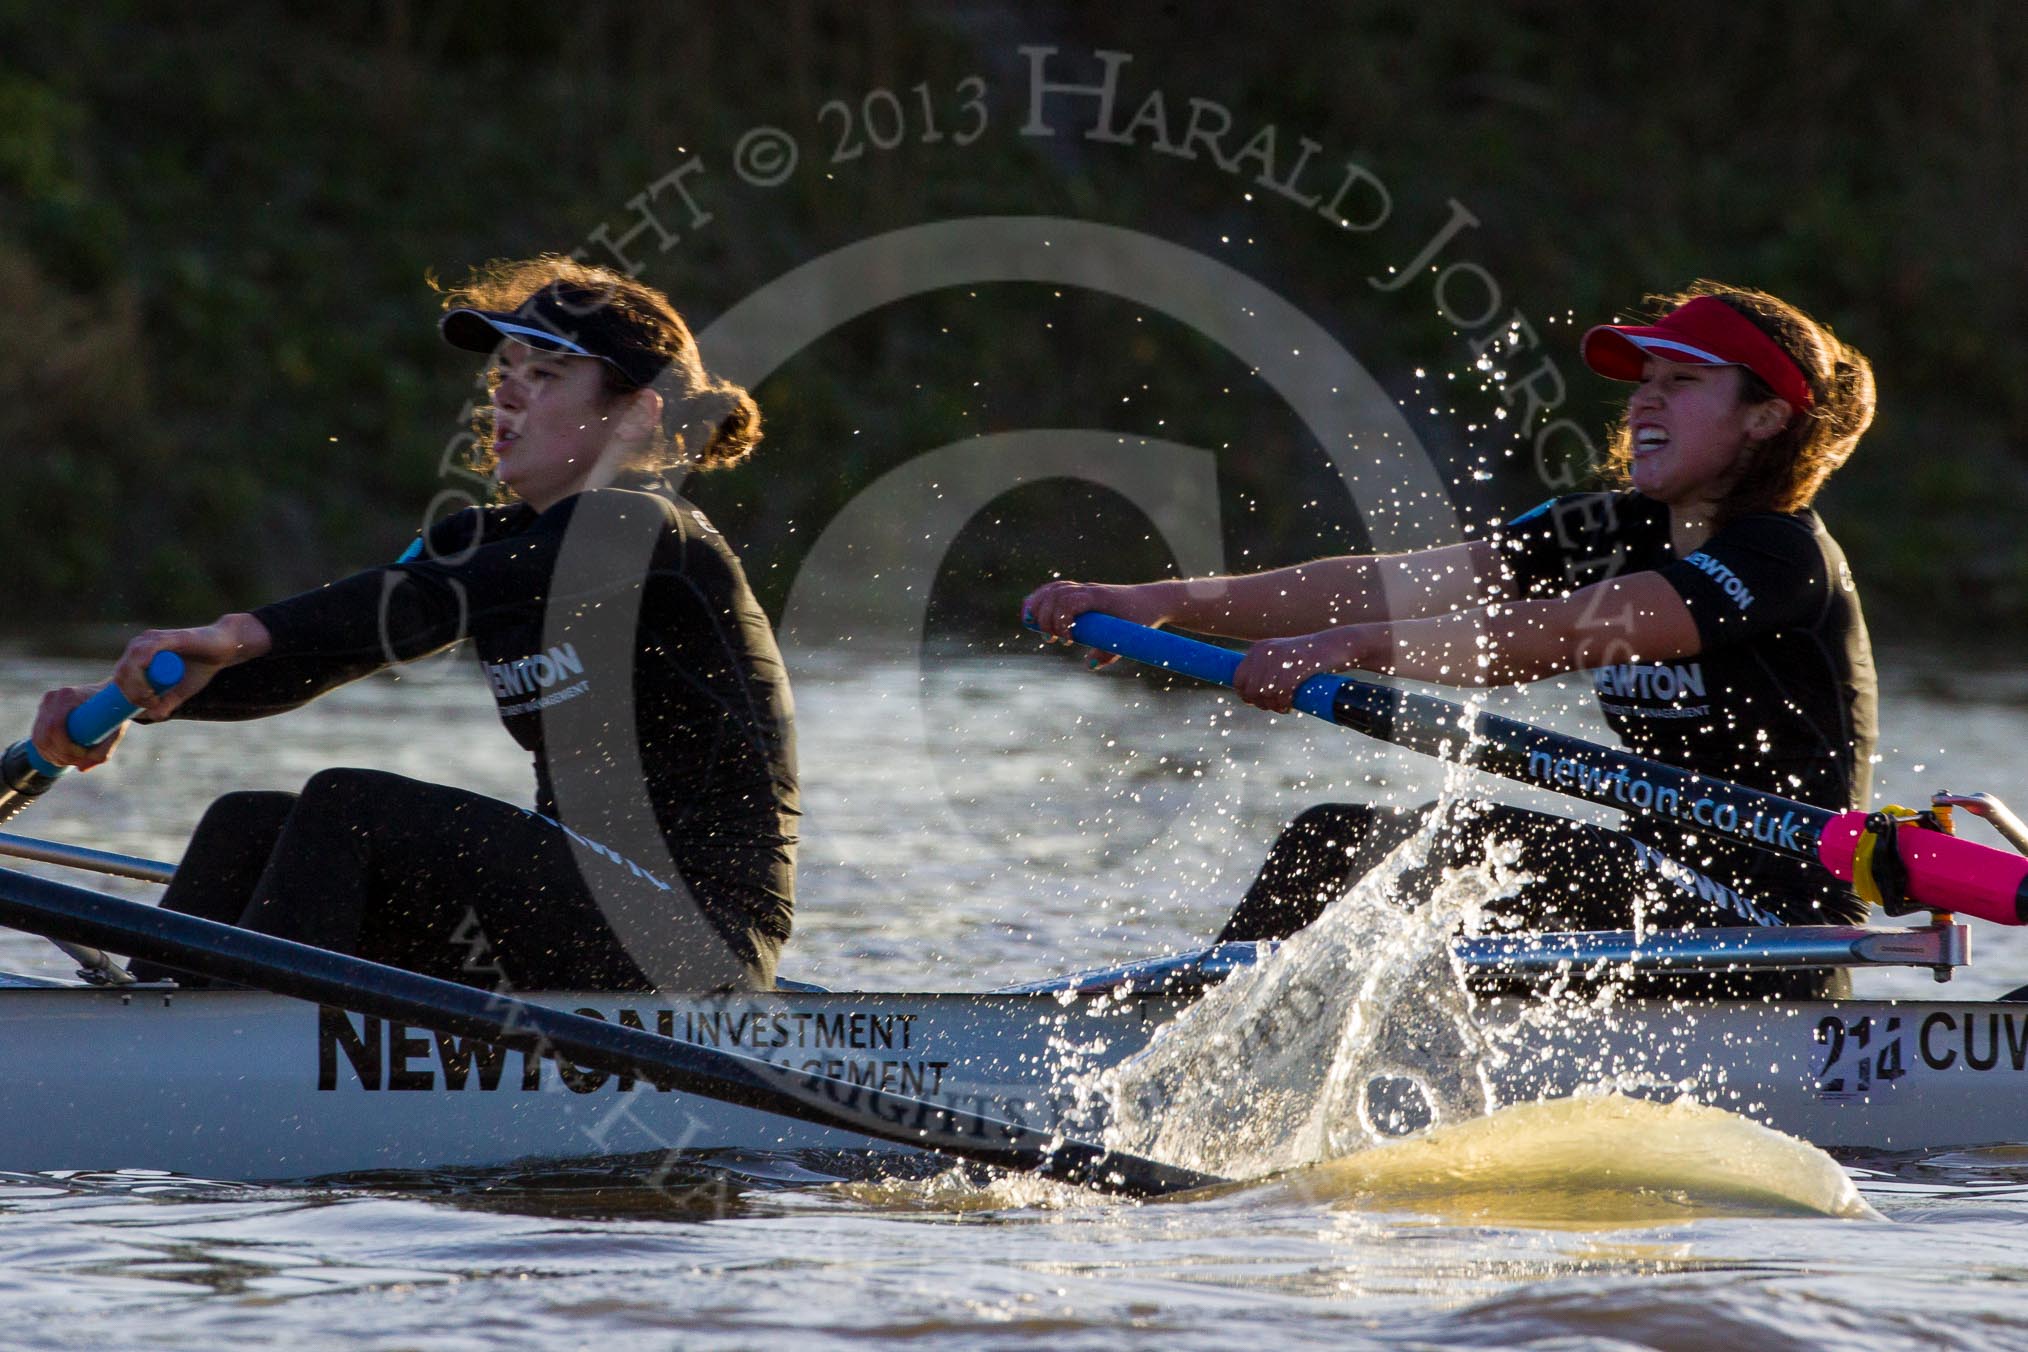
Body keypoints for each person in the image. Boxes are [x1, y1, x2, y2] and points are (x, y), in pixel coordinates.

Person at [1026, 282, 1878, 994]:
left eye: (1682, 382)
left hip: (1771, 936)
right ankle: (1216, 1042)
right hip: (1652, 893)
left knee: (1390, 854)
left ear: (1766, 418)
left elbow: (1559, 634)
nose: (1645, 398)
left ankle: (1188, 1056)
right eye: (1643, 379)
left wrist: (1349, 649)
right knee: (1340, 848)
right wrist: (1153, 599)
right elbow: (1382, 582)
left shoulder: (1779, 554)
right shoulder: (1605, 527)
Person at [31, 257, 798, 992]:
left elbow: (426, 601)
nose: (506, 395)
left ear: (636, 415)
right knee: (248, 825)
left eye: (546, 376)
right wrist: (131, 701)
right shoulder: (476, 543)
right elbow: (336, 647)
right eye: (507, 373)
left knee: (352, 807)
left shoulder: (651, 533)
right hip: (576, 922)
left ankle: (232, 1053)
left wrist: (236, 628)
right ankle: (162, 1025)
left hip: (699, 941)